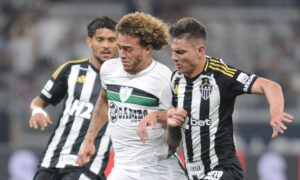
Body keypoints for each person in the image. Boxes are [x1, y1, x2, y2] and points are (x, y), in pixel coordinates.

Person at [164, 17, 294, 180]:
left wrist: (276, 113)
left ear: (200, 50)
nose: (173, 58)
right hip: (192, 173)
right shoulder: (176, 79)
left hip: (224, 169)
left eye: (180, 52)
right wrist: (171, 126)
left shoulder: (221, 74)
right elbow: (173, 142)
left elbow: (270, 86)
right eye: (173, 51)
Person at [76, 12, 187, 180]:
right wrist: (89, 139)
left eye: (128, 49)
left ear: (147, 49)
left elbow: (173, 136)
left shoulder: (164, 78)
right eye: (120, 47)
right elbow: (105, 101)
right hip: (123, 169)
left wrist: (163, 119)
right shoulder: (109, 69)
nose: (121, 54)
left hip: (161, 170)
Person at [29, 16, 118, 180]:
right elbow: (38, 102)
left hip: (89, 165)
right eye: (100, 39)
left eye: (111, 40)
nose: (106, 45)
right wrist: (36, 111)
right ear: (89, 41)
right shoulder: (71, 70)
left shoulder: (124, 79)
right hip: (52, 159)